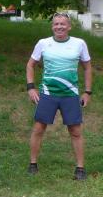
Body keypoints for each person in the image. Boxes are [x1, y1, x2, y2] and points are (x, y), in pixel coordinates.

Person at [26, 13, 92, 180]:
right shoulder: (43, 43)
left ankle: (80, 168)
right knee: (38, 128)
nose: (59, 27)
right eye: (56, 24)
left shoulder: (79, 43)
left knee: (75, 131)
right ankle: (33, 164)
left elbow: (87, 68)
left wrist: (87, 92)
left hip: (70, 94)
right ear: (52, 27)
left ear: (69, 26)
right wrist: (31, 88)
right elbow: (30, 65)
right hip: (48, 94)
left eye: (63, 24)